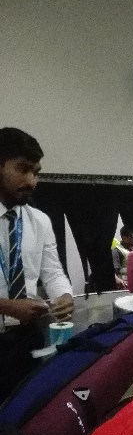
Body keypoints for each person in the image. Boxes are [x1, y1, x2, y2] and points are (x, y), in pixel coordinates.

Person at [0, 128, 73, 402]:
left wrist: (64, 296)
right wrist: (6, 306)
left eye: (36, 172)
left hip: (27, 338)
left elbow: (53, 272)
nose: (32, 180)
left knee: (24, 411)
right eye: (22, 169)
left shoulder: (39, 221)